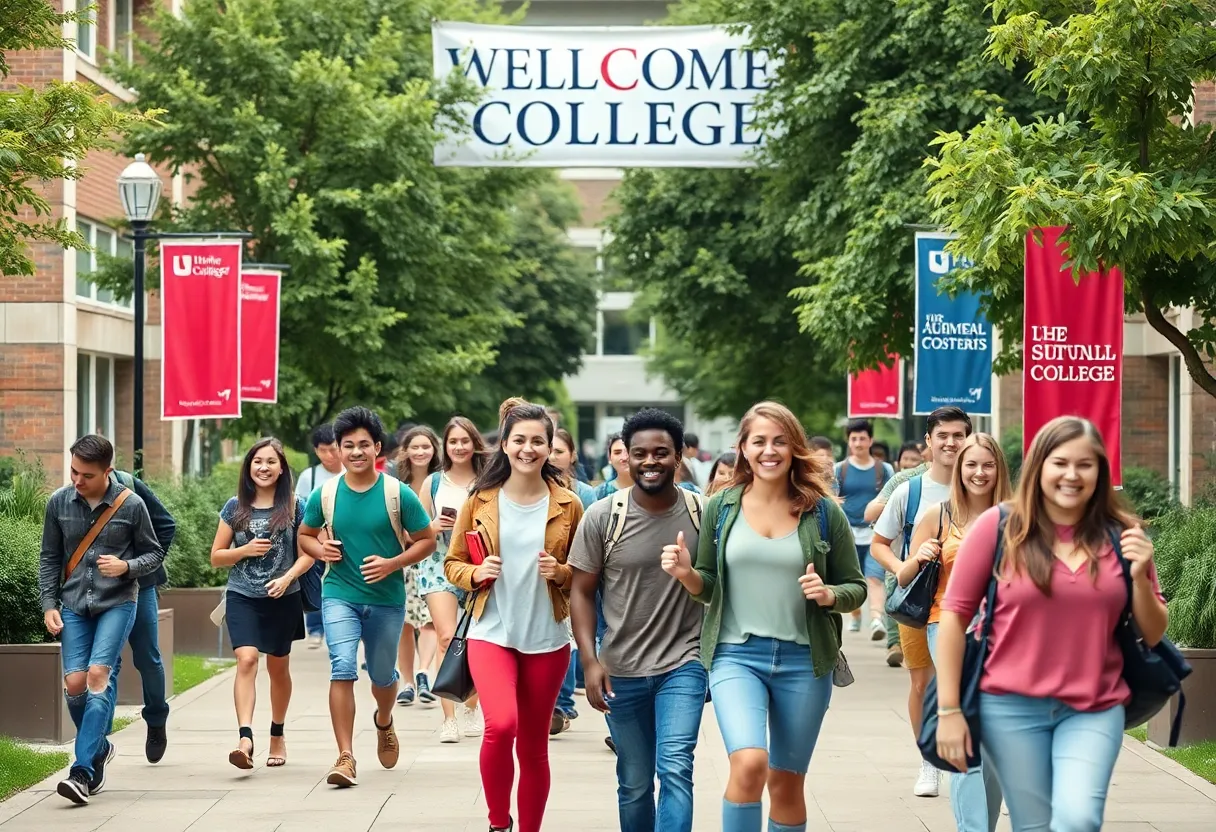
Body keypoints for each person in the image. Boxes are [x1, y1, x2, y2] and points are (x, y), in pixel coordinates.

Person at [936, 417, 1167, 831]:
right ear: (1040, 465)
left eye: (1086, 464)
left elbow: (1152, 632)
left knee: (1078, 819)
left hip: (1094, 707)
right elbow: (954, 618)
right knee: (1034, 825)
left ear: (1101, 471)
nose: (1072, 475)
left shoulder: (1122, 535)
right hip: (1009, 706)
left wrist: (1139, 579)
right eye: (1060, 462)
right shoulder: (999, 528)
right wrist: (950, 709)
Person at [664, 402, 866, 832]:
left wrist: (830, 594)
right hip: (736, 656)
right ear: (743, 448)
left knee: (787, 784)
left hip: (805, 662)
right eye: (759, 441)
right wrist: (686, 574)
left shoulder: (823, 512)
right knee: (750, 763)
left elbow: (857, 587)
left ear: (794, 448)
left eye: (779, 441)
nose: (769, 451)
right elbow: (709, 585)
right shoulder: (721, 508)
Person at [445, 398, 584, 832]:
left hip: (547, 637)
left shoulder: (569, 505)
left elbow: (582, 578)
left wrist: (559, 571)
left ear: (549, 448)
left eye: (538, 441)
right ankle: (498, 822)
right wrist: (476, 572)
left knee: (534, 746)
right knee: (501, 726)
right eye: (519, 440)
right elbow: (452, 564)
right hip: (491, 631)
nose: (528, 449)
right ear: (504, 444)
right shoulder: (480, 500)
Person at [570, 408, 707, 832]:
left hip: (684, 664)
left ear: (679, 455)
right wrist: (590, 661)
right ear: (625, 457)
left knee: (675, 768)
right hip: (620, 669)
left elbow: (719, 583)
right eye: (640, 453)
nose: (651, 461)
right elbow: (580, 590)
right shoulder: (603, 516)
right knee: (633, 782)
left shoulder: (704, 513)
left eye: (661, 452)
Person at [298, 407, 437, 788]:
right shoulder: (325, 494)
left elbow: (427, 540)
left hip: (386, 599)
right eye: (348, 446)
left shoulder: (397, 492)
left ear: (377, 448)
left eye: (364, 445)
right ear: (337, 451)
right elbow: (305, 535)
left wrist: (393, 563)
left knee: (381, 676)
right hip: (338, 593)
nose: (356, 452)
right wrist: (320, 550)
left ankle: (384, 719)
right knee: (342, 666)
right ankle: (345, 756)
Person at [39, 435, 166, 805]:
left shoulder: (131, 504)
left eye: (87, 475)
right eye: (74, 471)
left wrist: (127, 566)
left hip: (118, 601)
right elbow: (49, 557)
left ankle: (82, 771)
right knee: (75, 682)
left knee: (98, 675)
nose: (77, 481)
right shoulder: (58, 502)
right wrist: (49, 603)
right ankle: (100, 746)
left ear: (108, 471)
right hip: (74, 604)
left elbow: (154, 552)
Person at [901, 433, 1010, 831]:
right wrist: (918, 557)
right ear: (958, 469)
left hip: (1005, 639)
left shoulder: (1017, 519)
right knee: (964, 741)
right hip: (948, 631)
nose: (979, 473)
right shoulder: (938, 516)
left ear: (999, 469)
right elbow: (903, 578)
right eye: (971, 465)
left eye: (988, 464)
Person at [872, 406, 972, 798]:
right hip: (918, 603)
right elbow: (880, 544)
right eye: (942, 435)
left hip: (969, 606)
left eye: (958, 435)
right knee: (922, 683)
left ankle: (972, 759)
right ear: (928, 441)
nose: (951, 443)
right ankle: (929, 758)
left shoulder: (983, 483)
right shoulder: (909, 490)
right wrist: (903, 567)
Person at [210, 438, 313, 770]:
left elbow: (310, 552)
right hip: (242, 595)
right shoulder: (234, 507)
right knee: (247, 659)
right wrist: (243, 551)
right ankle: (245, 739)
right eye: (257, 461)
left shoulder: (297, 506)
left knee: (278, 667)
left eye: (271, 462)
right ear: (248, 467)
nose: (264, 468)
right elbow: (216, 557)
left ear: (281, 468)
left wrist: (287, 579)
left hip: (284, 596)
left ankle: (277, 735)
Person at [419, 416, 487, 741]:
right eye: (452, 442)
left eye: (464, 440)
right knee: (446, 637)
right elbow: (416, 534)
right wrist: (433, 527)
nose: (459, 447)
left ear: (474, 443)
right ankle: (448, 717)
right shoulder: (433, 483)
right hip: (438, 563)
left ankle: (472, 706)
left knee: (477, 640)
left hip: (478, 567)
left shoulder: (489, 481)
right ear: (444, 446)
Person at [106, 467, 175, 764]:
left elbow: (166, 525)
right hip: (100, 590)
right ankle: (98, 737)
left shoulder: (129, 486)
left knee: (147, 657)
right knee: (107, 662)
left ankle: (156, 720)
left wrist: (142, 562)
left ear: (107, 468)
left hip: (140, 585)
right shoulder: (75, 494)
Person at [551, 427, 596, 730]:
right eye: (549, 449)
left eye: (559, 451)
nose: (553, 456)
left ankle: (562, 704)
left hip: (574, 574)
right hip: (543, 576)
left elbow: (591, 538)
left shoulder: (584, 493)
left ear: (572, 455)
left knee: (568, 638)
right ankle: (554, 704)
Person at [834, 419, 894, 639]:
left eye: (862, 438)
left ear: (871, 440)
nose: (858, 443)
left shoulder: (884, 470)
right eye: (854, 439)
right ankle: (856, 615)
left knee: (875, 578)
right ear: (848, 442)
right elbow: (832, 500)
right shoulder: (839, 470)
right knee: (851, 579)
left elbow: (891, 498)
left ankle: (877, 619)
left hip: (875, 533)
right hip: (847, 533)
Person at [393, 425, 441, 706]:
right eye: (415, 447)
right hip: (402, 561)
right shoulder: (394, 483)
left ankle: (424, 672)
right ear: (406, 451)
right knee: (405, 622)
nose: (421, 452)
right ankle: (407, 681)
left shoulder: (441, 482)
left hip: (434, 561)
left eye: (426, 446)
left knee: (431, 621)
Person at [296, 424, 343, 649]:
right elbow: (302, 512)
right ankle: (315, 628)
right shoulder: (309, 476)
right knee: (315, 581)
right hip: (316, 539)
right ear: (316, 451)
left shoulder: (351, 471)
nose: (329, 455)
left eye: (333, 449)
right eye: (323, 450)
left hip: (346, 539)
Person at [594, 433, 633, 499]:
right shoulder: (600, 493)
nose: (624, 458)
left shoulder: (650, 489)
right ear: (609, 458)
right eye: (617, 453)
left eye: (628, 451)